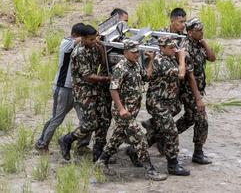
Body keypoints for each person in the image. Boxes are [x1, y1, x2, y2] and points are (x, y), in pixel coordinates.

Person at [96, 40, 167, 181]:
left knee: (117, 137)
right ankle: (150, 170)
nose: (136, 54)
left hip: (132, 111)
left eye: (137, 51)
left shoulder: (136, 65)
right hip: (123, 112)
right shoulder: (120, 68)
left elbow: (146, 77)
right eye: (133, 51)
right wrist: (121, 109)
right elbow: (113, 89)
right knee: (140, 136)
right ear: (125, 52)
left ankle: (101, 162)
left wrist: (151, 61)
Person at [35, 23, 91, 154]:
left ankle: (82, 146)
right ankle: (42, 144)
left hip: (76, 89)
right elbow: (77, 41)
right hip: (63, 88)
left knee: (86, 119)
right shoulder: (66, 43)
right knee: (57, 118)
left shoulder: (80, 46)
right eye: (87, 38)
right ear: (78, 36)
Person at [58, 25, 111, 161]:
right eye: (91, 39)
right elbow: (88, 76)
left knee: (104, 119)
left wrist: (102, 49)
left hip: (95, 89)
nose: (94, 42)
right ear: (83, 38)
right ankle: (67, 139)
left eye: (95, 39)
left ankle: (98, 153)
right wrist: (107, 79)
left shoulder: (94, 47)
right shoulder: (79, 52)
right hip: (84, 92)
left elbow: (104, 65)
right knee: (91, 123)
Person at [146, 36, 190, 176]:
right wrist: (181, 57)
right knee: (171, 131)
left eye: (174, 47)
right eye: (170, 48)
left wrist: (178, 55)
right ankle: (172, 164)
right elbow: (181, 74)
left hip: (167, 102)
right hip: (157, 103)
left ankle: (135, 149)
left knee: (158, 130)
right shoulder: (161, 61)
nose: (174, 50)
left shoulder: (168, 57)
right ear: (162, 48)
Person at [176, 17, 216, 164]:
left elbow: (212, 58)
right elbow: (190, 76)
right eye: (199, 31)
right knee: (201, 120)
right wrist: (198, 98)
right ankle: (198, 153)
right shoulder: (186, 48)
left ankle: (162, 135)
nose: (202, 33)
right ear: (191, 33)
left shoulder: (198, 45)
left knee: (190, 118)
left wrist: (205, 44)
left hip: (196, 90)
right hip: (188, 91)